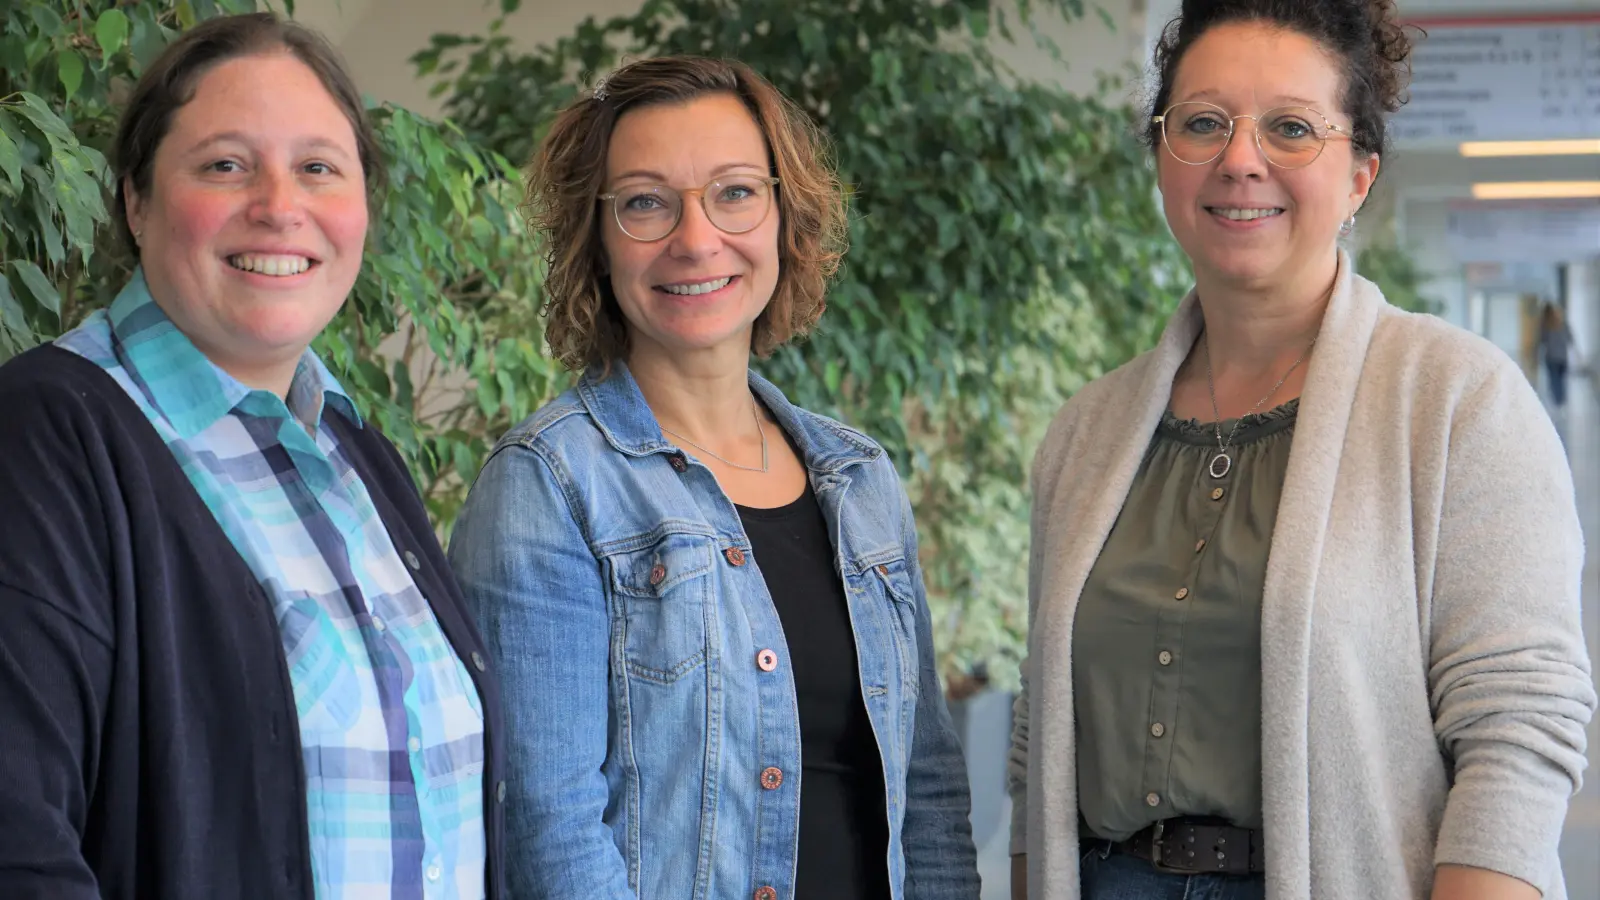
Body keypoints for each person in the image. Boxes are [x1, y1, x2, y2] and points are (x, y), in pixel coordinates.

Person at [1006, 1, 1594, 899]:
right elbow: (1036, 735)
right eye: (1202, 123)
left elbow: (1519, 727)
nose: (1240, 160)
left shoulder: (1454, 399)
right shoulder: (1087, 430)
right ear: (1163, 156)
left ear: (1360, 175)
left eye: (1290, 127)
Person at [447, 55, 980, 900]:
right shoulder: (550, 486)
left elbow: (931, 801)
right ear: (597, 239)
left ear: (782, 217)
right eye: (646, 203)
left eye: (734, 192)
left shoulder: (862, 479)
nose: (696, 240)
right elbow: (547, 831)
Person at [0, 14, 505, 899]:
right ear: (136, 199)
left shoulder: (355, 450)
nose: (280, 205)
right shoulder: (46, 436)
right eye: (225, 165)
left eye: (317, 167)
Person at [1538, 302, 1579, 409]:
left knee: (1555, 380)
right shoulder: (1562, 324)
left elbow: (1541, 341)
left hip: (1552, 357)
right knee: (1560, 380)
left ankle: (1557, 401)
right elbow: (1570, 339)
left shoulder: (1546, 325)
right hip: (1561, 357)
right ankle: (1561, 401)